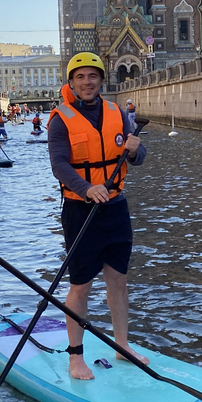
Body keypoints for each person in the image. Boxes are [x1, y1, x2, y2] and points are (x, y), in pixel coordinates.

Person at [47, 52, 147, 381]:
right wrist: (87, 188)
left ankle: (122, 345)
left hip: (115, 208)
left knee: (118, 281)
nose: (86, 82)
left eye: (92, 76)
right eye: (80, 77)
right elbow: (59, 165)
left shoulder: (118, 113)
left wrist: (134, 149)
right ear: (71, 82)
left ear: (102, 80)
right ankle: (76, 358)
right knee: (81, 286)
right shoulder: (61, 118)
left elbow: (138, 156)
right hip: (80, 210)